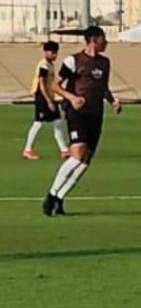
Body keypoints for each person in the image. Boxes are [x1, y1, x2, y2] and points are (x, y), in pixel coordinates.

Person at [42, 26, 120, 216]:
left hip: (96, 114)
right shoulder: (73, 60)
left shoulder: (105, 63)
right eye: (103, 39)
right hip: (77, 113)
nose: (106, 42)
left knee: (86, 160)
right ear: (93, 40)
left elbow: (103, 87)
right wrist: (72, 98)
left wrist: (112, 101)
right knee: (78, 154)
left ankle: (60, 198)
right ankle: (51, 196)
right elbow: (55, 85)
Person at [22, 40, 70, 160]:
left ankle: (64, 150)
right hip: (42, 96)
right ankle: (27, 150)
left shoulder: (49, 64)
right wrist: (48, 101)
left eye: (56, 52)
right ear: (46, 52)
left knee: (58, 122)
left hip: (49, 96)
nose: (55, 55)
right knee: (38, 123)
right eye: (53, 52)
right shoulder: (43, 65)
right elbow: (41, 83)